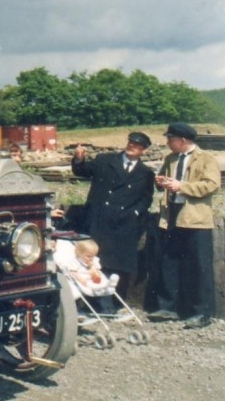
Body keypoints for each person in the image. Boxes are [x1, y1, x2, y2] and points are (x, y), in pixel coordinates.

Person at [150, 122, 221, 329]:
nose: (167, 143)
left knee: (199, 266)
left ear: (182, 140)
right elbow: (164, 180)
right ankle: (168, 307)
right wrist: (160, 181)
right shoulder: (170, 158)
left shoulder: (207, 158)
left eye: (170, 139)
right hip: (172, 215)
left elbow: (212, 185)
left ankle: (201, 312)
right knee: (169, 261)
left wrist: (182, 186)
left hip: (196, 219)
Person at [70, 131, 154, 300]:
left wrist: (135, 213)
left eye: (137, 145)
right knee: (95, 260)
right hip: (100, 219)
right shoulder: (105, 160)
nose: (132, 146)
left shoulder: (146, 173)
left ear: (143, 150)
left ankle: (115, 303)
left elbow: (146, 198)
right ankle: (91, 301)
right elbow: (82, 171)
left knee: (119, 264)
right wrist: (79, 158)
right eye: (130, 142)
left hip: (123, 223)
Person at [55, 238, 119, 315]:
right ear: (79, 253)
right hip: (82, 281)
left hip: (93, 279)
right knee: (77, 293)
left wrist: (92, 267)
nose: (91, 258)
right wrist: (83, 281)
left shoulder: (93, 261)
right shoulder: (74, 262)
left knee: (103, 285)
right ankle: (77, 309)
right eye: (88, 256)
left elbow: (97, 270)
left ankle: (109, 285)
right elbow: (74, 273)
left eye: (93, 256)